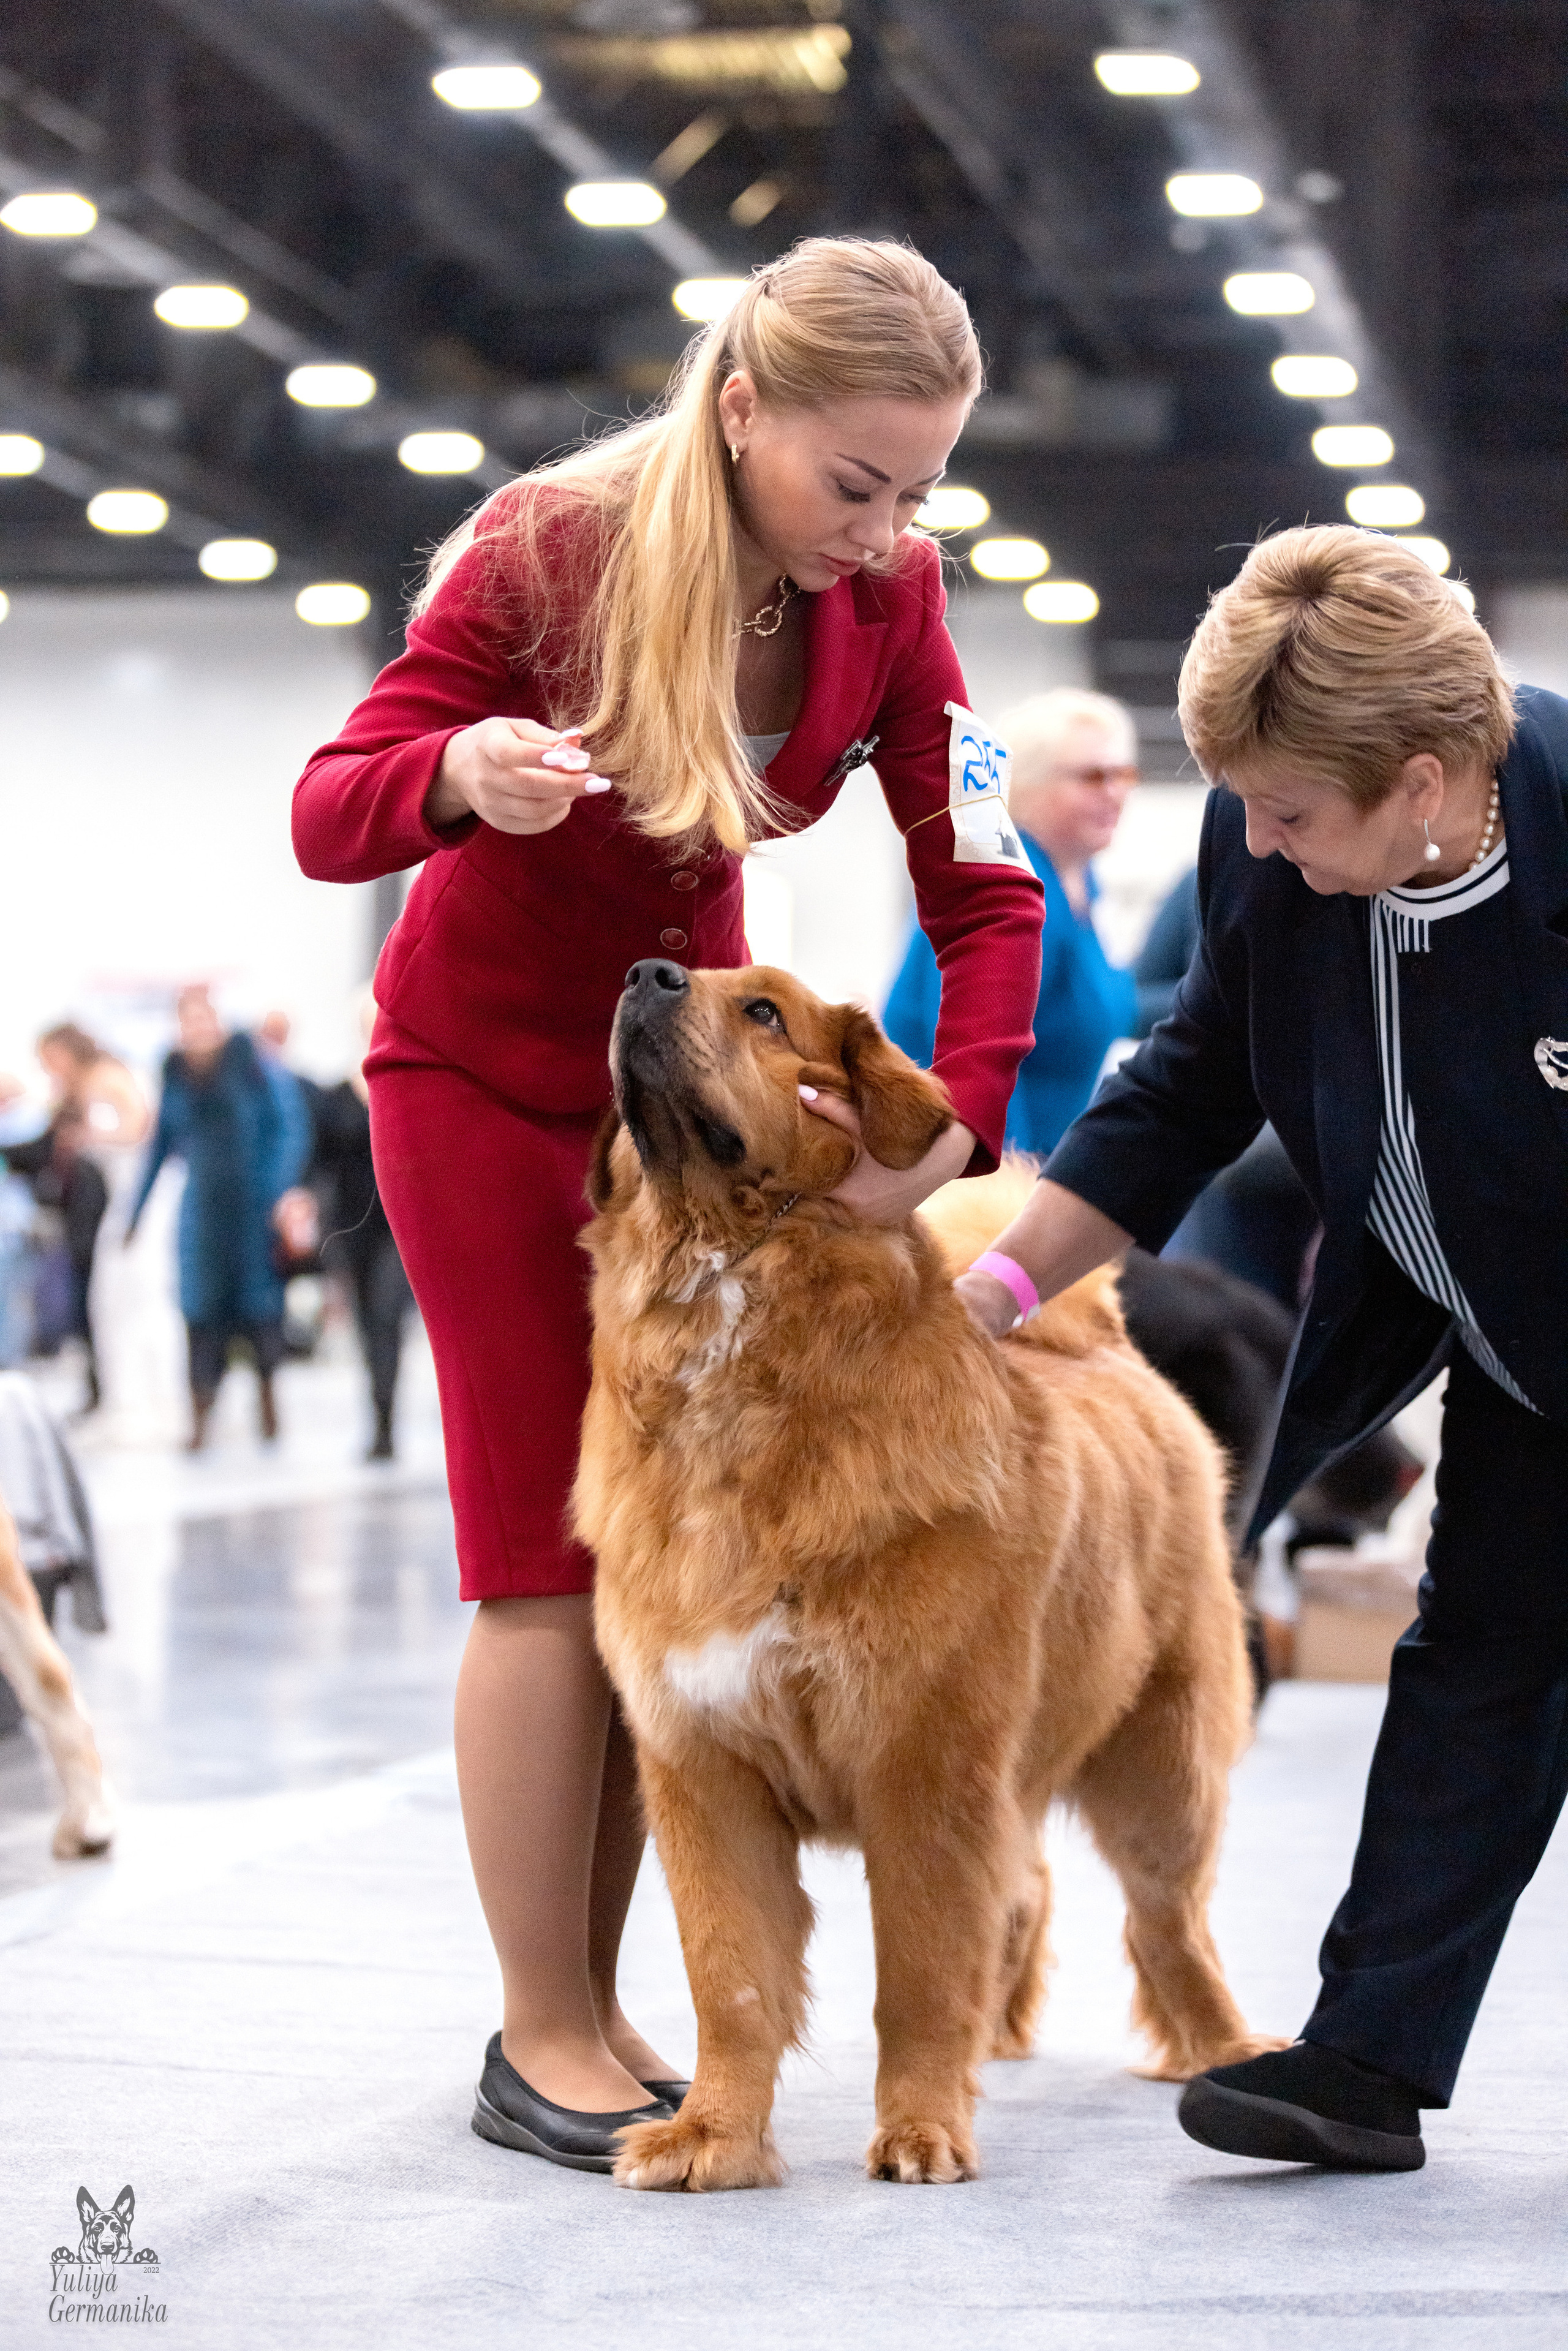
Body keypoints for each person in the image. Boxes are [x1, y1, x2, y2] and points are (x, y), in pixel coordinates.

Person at [292, 237, 1044, 2172]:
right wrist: (457, 772)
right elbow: (330, 799)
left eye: (920, 492)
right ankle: (542, 2022)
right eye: (851, 484)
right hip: (476, 1083)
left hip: (687, 1124)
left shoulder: (892, 601)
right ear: (740, 413)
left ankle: (624, 2001)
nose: (886, 531)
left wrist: (955, 1118)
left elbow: (984, 884)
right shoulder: (550, 550)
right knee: (552, 1554)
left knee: (670, 1574)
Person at [954, 525, 1568, 2175]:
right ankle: (1364, 2054)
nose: (1260, 839)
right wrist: (999, 1296)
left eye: (1292, 811)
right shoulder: (1264, 856)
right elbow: (1182, 1091)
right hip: (1520, 1346)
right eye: (1241, 802)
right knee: (1481, 1660)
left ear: (1426, 783)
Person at [884, 689, 1147, 1152]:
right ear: (1027, 784)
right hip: (984, 1172)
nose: (1116, 793)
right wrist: (1008, 1186)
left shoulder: (1082, 886)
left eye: (1123, 774)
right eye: (1092, 777)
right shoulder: (1006, 889)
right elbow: (962, 1058)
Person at [126, 986, 306, 1451]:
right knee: (200, 1314)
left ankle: (269, 1405)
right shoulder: (175, 1073)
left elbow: (288, 1128)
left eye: (205, 1018)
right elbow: (160, 1147)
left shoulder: (250, 1063)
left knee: (260, 1311)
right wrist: (135, 1212)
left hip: (252, 1210)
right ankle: (201, 1418)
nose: (199, 1029)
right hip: (202, 1213)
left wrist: (277, 1191)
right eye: (189, 1020)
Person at [292, 989, 415, 1461]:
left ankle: (388, 1426)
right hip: (350, 1226)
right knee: (366, 1325)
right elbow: (314, 1157)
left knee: (387, 1318)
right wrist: (299, 1199)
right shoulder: (336, 1094)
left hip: (399, 1228)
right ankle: (377, 1419)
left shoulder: (406, 1082)